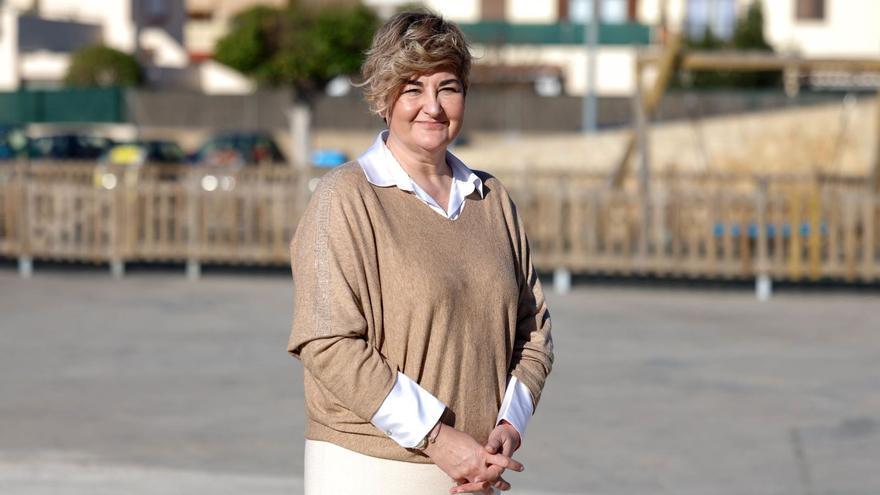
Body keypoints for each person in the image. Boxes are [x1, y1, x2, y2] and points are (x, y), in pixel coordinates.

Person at [287, 11, 553, 495]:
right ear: (382, 98)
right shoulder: (345, 198)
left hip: (477, 473)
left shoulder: (492, 201)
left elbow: (533, 333)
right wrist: (437, 437)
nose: (432, 105)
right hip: (368, 470)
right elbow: (328, 342)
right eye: (412, 87)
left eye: (447, 87)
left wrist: (506, 431)